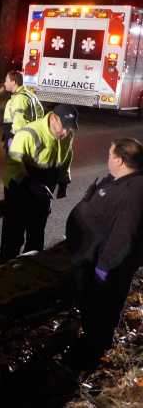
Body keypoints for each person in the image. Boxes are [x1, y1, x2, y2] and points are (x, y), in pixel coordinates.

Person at [63, 138, 143, 370]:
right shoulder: (121, 179)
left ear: (119, 160)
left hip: (106, 267)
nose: (107, 159)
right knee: (91, 307)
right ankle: (89, 338)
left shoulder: (134, 193)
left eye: (110, 155)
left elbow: (124, 235)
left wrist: (104, 267)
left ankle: (91, 355)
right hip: (89, 255)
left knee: (101, 312)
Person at [0, 104, 77, 265]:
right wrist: (30, 184)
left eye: (70, 128)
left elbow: (67, 155)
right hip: (19, 186)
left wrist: (63, 180)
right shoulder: (28, 133)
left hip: (45, 186)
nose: (66, 132)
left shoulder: (67, 133)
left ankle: (31, 271)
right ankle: (2, 272)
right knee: (13, 236)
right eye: (64, 127)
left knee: (37, 233)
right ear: (53, 119)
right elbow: (13, 165)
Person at [1, 70, 43, 153]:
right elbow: (40, 112)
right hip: (27, 136)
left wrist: (13, 138)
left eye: (6, 81)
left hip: (16, 138)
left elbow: (19, 122)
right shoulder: (29, 94)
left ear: (13, 82)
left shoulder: (19, 99)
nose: (5, 83)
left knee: (15, 163)